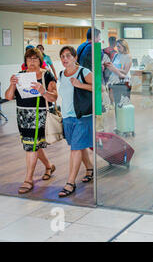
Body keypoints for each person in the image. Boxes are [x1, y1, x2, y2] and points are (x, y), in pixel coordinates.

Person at [5, 48, 58, 194]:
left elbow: (54, 98)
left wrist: (43, 91)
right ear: (25, 61)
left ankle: (28, 179)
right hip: (22, 117)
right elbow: (8, 97)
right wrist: (12, 84)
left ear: (40, 60)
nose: (32, 62)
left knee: (31, 146)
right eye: (29, 59)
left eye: (35, 59)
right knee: (34, 145)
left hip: (39, 116)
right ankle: (49, 166)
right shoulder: (20, 76)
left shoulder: (47, 75)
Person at [57, 46, 94, 197]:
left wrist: (80, 85)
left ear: (75, 57)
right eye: (62, 56)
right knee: (78, 146)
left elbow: (99, 88)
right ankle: (90, 168)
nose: (65, 59)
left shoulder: (84, 72)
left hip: (82, 117)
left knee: (75, 149)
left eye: (68, 56)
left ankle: (70, 182)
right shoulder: (61, 74)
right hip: (67, 117)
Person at [104, 39, 132, 107]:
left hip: (124, 82)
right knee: (116, 103)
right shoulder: (116, 55)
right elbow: (112, 65)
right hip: (115, 81)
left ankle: (124, 117)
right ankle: (118, 116)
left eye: (119, 46)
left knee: (123, 104)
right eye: (117, 46)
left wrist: (114, 69)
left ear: (124, 46)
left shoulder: (128, 56)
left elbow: (125, 71)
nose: (118, 48)